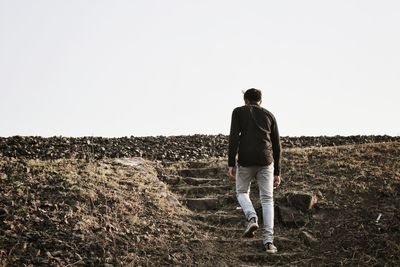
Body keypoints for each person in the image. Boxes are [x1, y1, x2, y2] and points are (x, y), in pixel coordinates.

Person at [228, 88, 281, 254]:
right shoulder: (270, 115)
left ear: (245, 100)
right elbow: (277, 145)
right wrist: (277, 171)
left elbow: (234, 138)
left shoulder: (238, 112)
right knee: (267, 199)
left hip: (245, 160)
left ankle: (251, 217)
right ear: (261, 101)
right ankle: (269, 242)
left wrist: (231, 163)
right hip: (266, 161)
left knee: (242, 192)